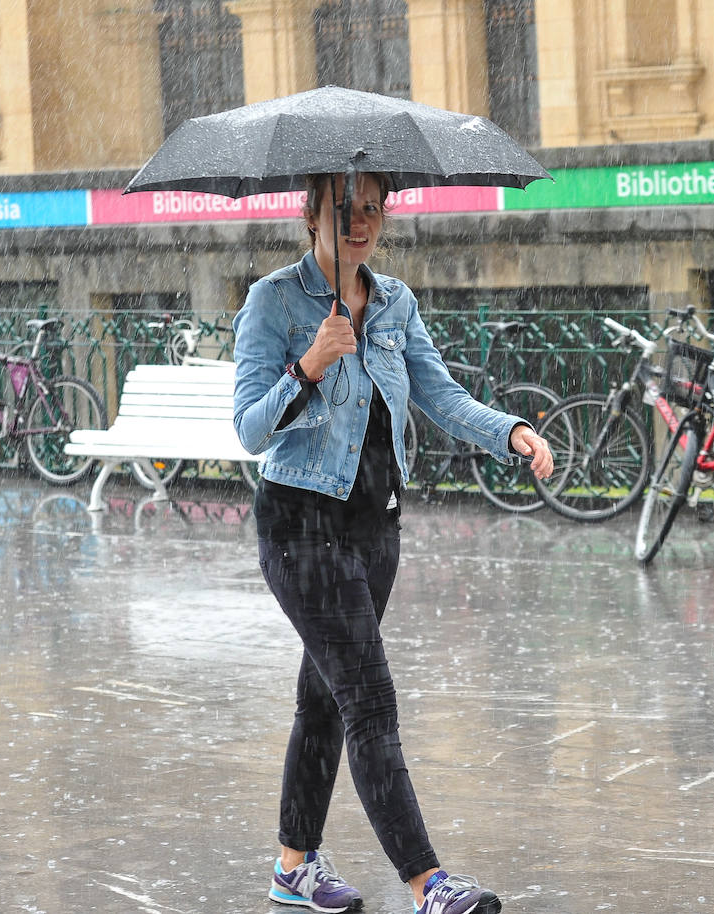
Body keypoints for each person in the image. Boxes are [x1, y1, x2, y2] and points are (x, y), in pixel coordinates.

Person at [233, 170, 553, 914]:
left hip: (375, 528)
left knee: (325, 701)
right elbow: (250, 430)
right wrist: (309, 364)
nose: (361, 221)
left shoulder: (396, 303)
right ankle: (428, 884)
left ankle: (293, 868)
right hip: (299, 527)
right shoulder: (274, 302)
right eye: (345, 207)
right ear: (309, 211)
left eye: (373, 208)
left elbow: (440, 396)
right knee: (369, 699)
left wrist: (510, 430)